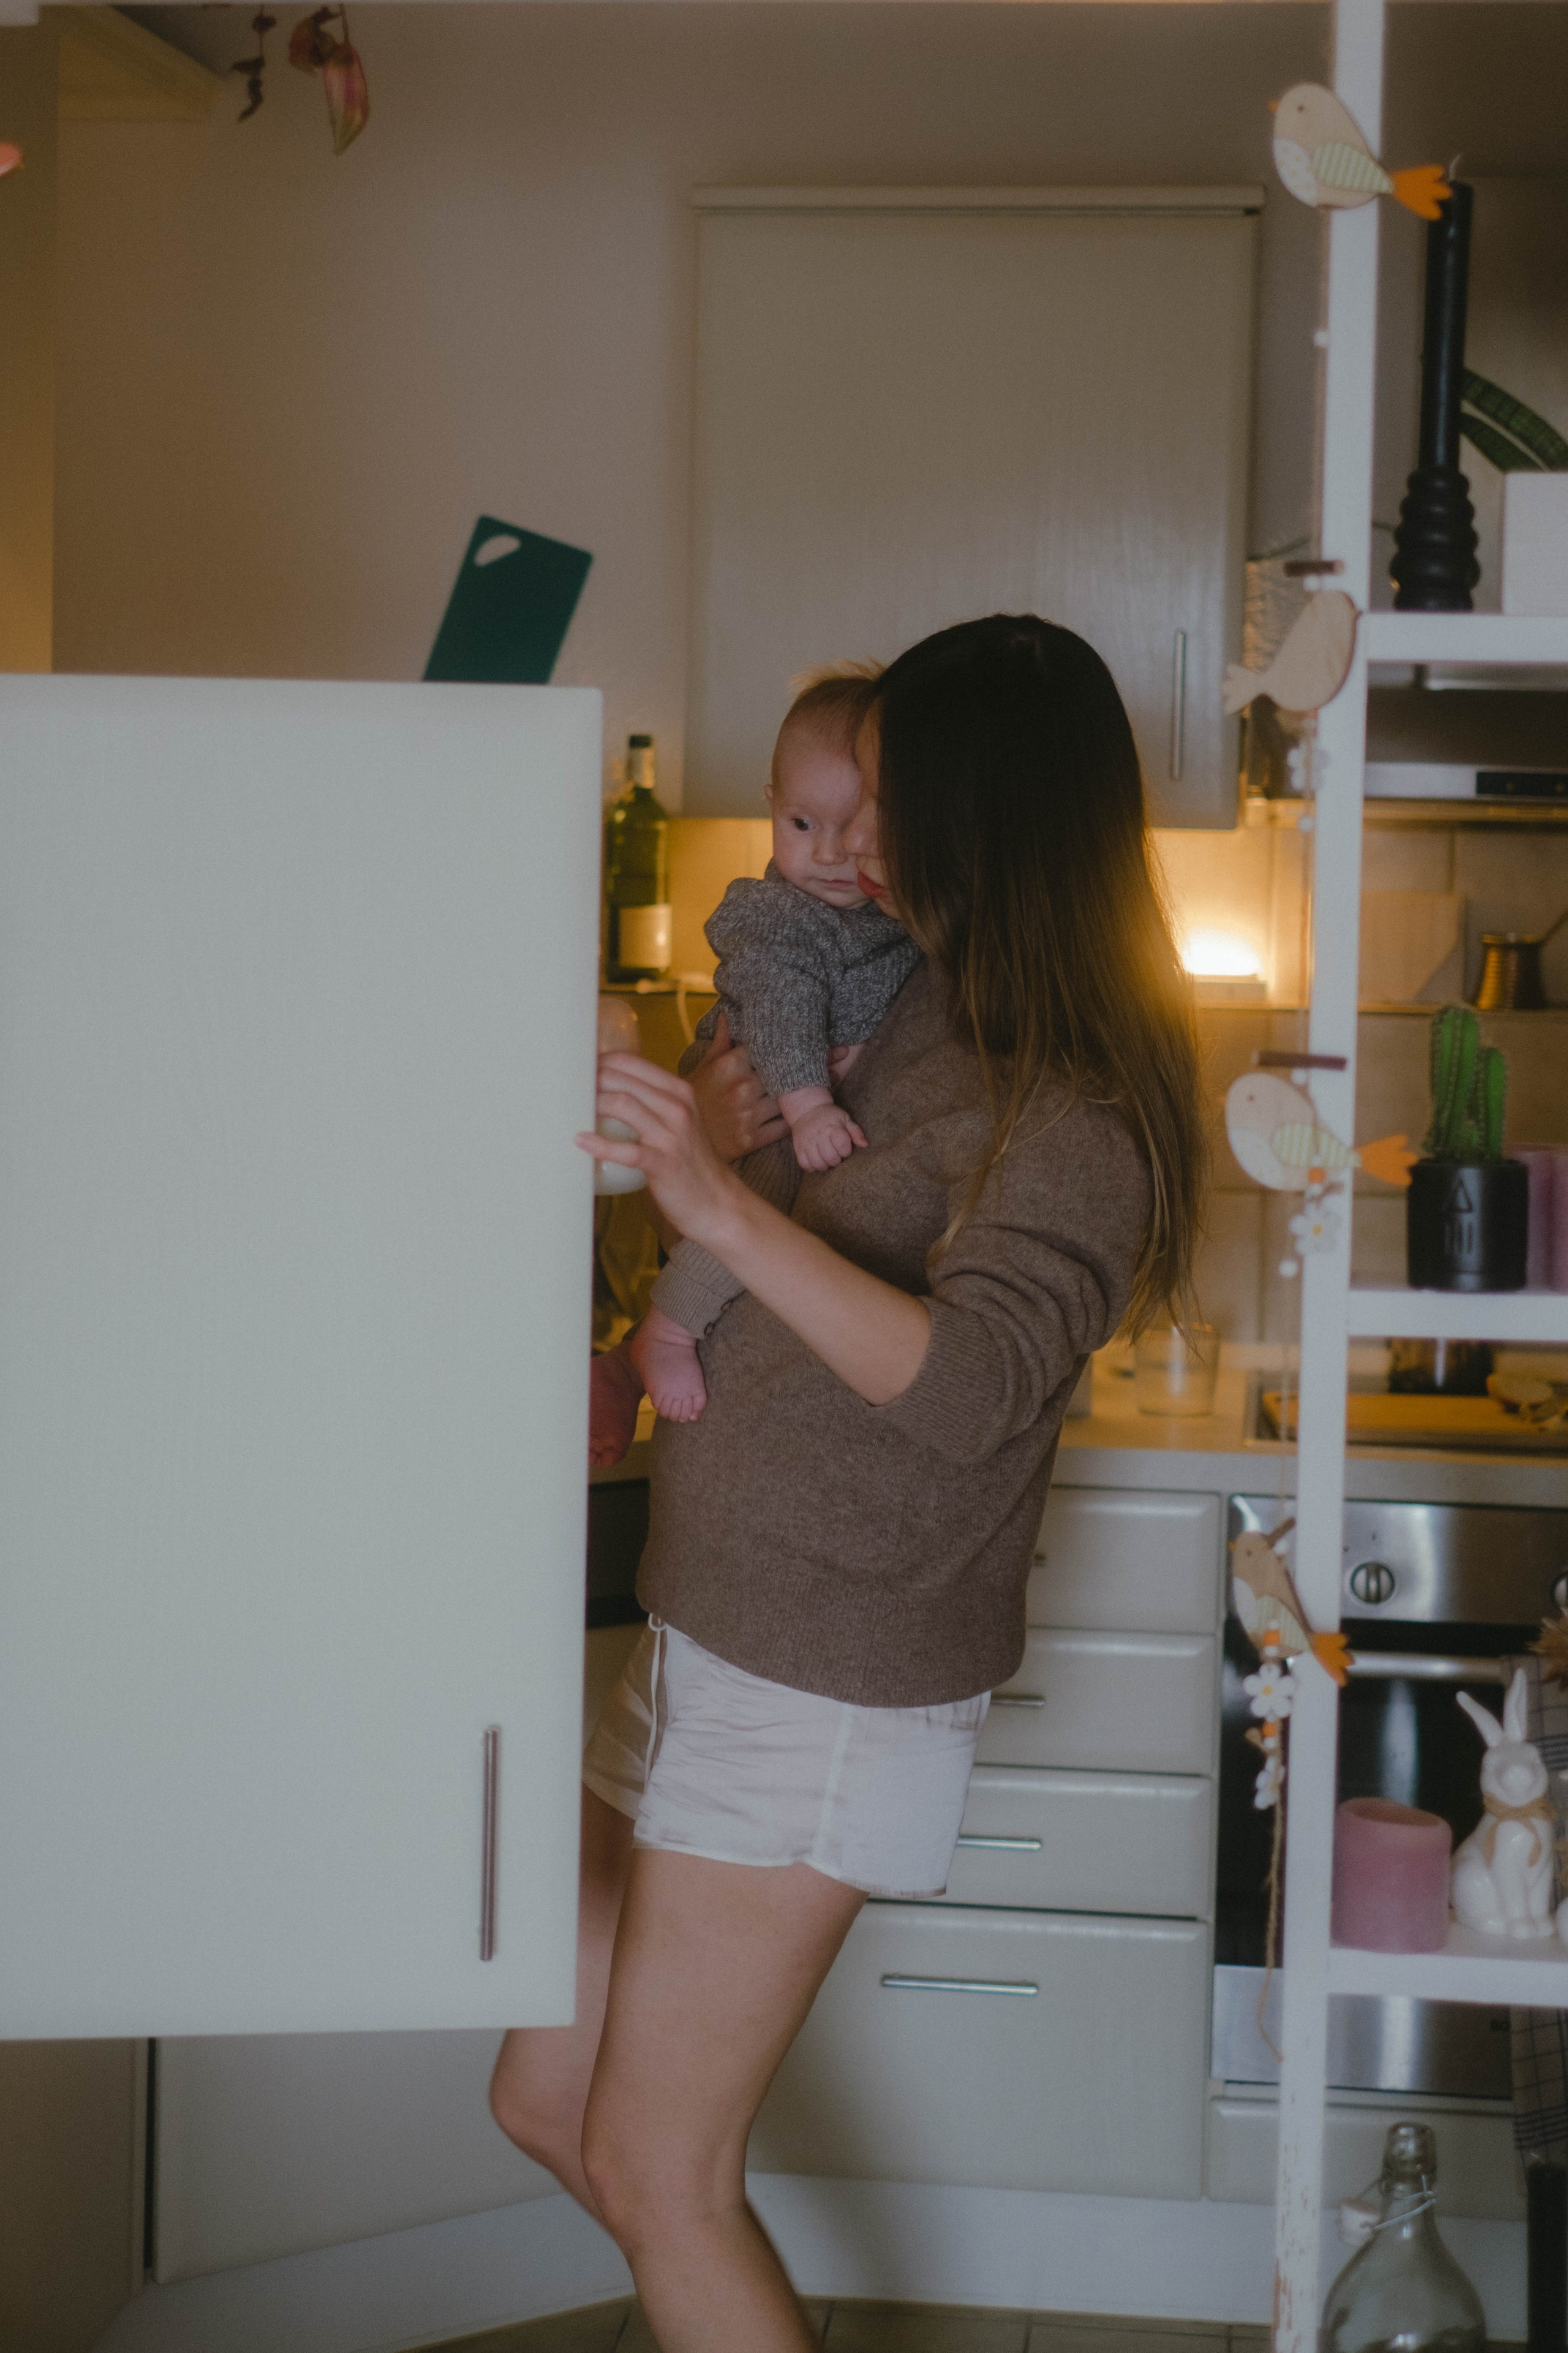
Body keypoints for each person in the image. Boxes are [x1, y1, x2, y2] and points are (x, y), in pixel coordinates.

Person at [491, 614, 1207, 2353]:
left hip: (826, 1679)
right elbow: (792, 1245)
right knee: (546, 2097)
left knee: (665, 2176)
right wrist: (701, 1199)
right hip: (717, 1621)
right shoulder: (917, 998)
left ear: (988, 811)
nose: (852, 828)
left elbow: (966, 1390)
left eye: (889, 796)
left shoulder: (1083, 1100)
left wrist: (715, 1205)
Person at [629, 667, 921, 1425]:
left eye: (855, 827)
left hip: (795, 1108)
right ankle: (663, 1329)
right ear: (771, 808)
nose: (828, 854)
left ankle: (627, 1362)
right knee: (756, 1212)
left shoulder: (886, 914)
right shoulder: (778, 915)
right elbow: (784, 1006)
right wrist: (809, 1106)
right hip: (773, 1090)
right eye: (801, 826)